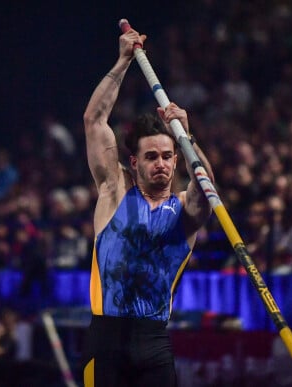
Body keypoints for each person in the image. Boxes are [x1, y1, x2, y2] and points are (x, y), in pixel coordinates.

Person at [81, 26, 214, 387]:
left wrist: (188, 139)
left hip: (153, 343)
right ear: (134, 162)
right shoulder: (115, 189)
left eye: (169, 156)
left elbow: (207, 191)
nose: (162, 163)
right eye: (152, 156)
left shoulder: (185, 211)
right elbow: (94, 122)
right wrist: (123, 61)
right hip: (106, 340)